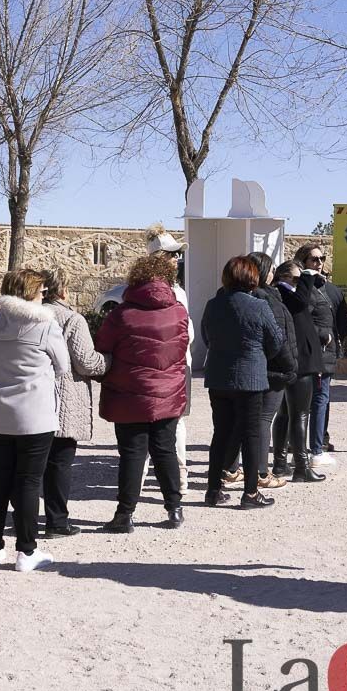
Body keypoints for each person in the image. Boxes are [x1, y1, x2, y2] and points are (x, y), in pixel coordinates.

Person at [0, 268, 69, 572]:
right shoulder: (45, 324)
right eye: (41, 289)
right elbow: (63, 364)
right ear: (30, 291)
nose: (44, 294)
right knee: (28, 483)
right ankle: (26, 551)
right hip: (34, 416)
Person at [96, 255, 189, 531]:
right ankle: (174, 509)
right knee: (165, 450)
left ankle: (125, 515)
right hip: (168, 391)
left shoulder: (121, 314)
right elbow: (183, 347)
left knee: (132, 454)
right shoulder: (179, 311)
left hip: (129, 392)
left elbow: (103, 345)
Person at [203, 256, 285, 507]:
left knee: (221, 434)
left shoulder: (213, 305)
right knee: (250, 436)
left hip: (218, 376)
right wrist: (259, 356)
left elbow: (207, 337)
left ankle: (213, 490)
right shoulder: (259, 306)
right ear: (252, 279)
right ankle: (250, 493)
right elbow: (276, 341)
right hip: (250, 378)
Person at [41, 267, 109, 538]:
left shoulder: (31, 315)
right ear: (64, 289)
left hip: (34, 396)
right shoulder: (72, 319)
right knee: (60, 461)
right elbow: (86, 361)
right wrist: (111, 361)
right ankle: (57, 520)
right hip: (65, 395)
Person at [143, 224, 193, 493]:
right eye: (172, 255)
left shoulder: (175, 290)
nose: (176, 260)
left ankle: (174, 477)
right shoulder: (176, 293)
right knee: (172, 422)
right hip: (175, 364)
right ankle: (178, 478)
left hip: (160, 364)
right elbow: (189, 333)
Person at [271, 260, 329, 483]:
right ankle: (301, 467)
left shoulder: (288, 294)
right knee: (298, 414)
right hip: (300, 363)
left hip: (299, 360)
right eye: (297, 279)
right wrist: (307, 277)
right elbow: (301, 302)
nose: (302, 283)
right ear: (284, 277)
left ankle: (280, 463)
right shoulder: (285, 293)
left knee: (287, 414)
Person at [294, 243, 347, 468]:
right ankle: (313, 450)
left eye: (322, 258)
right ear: (303, 262)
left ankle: (315, 445)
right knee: (312, 402)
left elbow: (343, 322)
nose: (319, 263)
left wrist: (333, 340)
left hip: (326, 354)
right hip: (314, 353)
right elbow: (300, 320)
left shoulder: (329, 289)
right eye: (314, 259)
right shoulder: (304, 290)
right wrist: (322, 336)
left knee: (320, 400)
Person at [248, 251, 297, 489]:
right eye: (270, 269)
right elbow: (278, 337)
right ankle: (260, 472)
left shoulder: (239, 296)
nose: (273, 273)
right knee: (263, 420)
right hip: (273, 370)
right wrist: (290, 367)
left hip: (263, 368)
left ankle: (236, 469)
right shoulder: (265, 299)